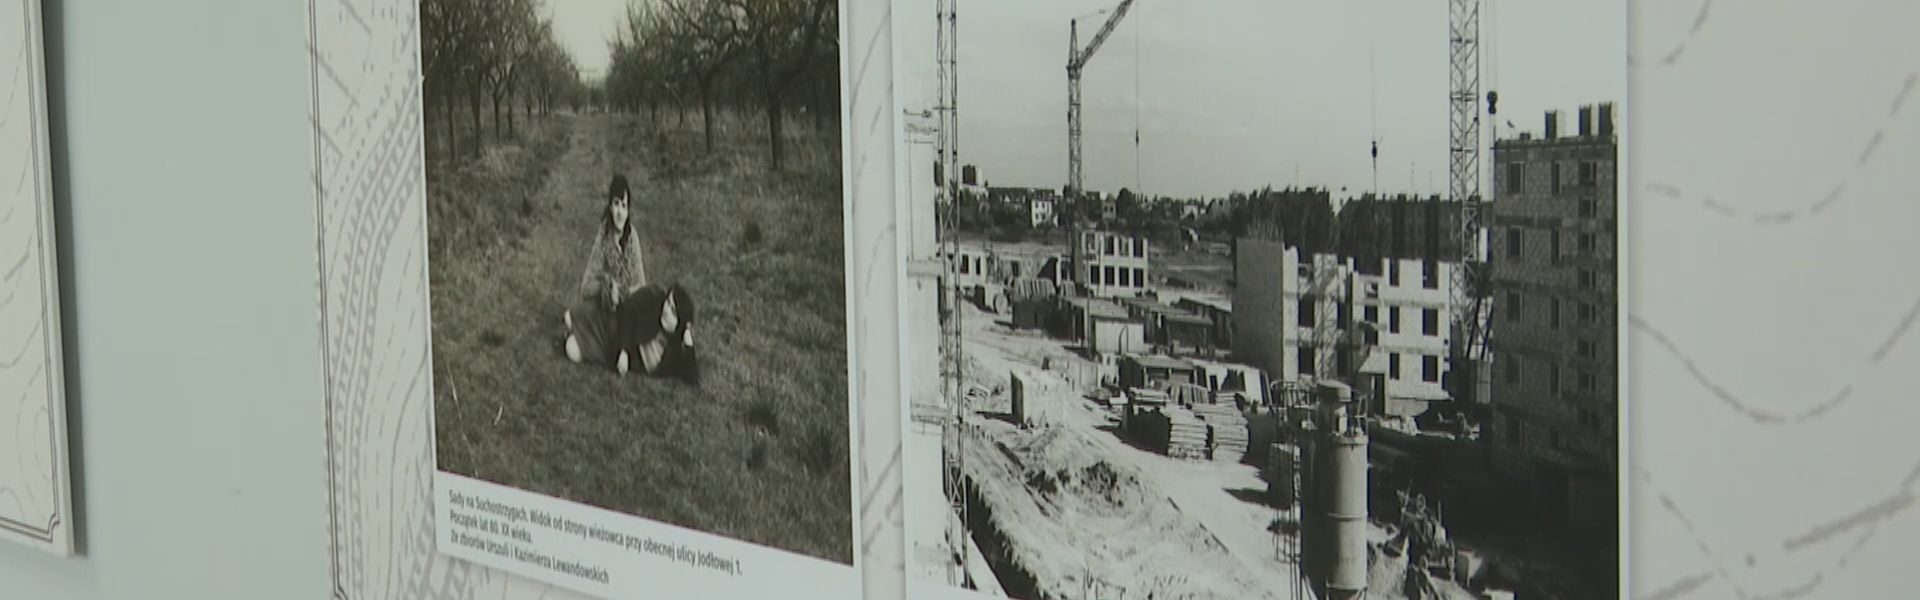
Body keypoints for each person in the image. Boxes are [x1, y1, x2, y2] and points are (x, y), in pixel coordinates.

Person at [564, 175, 648, 371]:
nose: (620, 212)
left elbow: (642, 286)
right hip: (602, 312)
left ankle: (605, 350)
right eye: (616, 204)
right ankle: (579, 333)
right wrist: (606, 287)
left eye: (624, 206)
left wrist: (624, 293)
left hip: (625, 316)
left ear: (629, 211)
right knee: (568, 318)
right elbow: (586, 286)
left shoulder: (633, 239)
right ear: (610, 206)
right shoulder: (603, 237)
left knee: (572, 350)